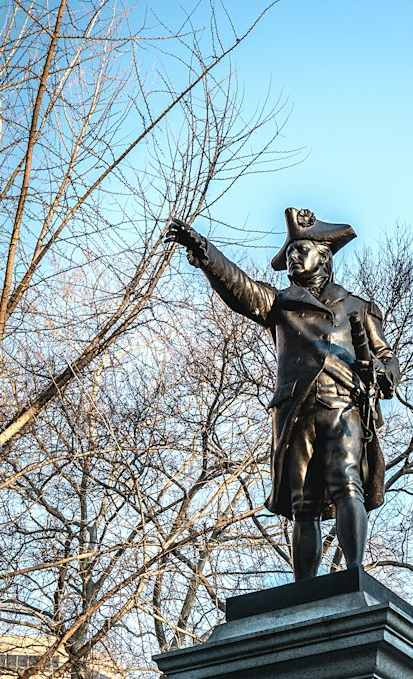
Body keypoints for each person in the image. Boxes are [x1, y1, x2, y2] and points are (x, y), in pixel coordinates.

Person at [164, 207, 400, 579]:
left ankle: (355, 574)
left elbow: (387, 358)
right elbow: (239, 287)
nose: (292, 257)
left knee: (346, 481)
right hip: (295, 412)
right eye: (288, 252)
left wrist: (382, 374)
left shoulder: (358, 307)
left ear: (323, 255)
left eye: (299, 250)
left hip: (343, 405)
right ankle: (303, 589)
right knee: (302, 502)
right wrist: (206, 253)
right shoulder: (279, 304)